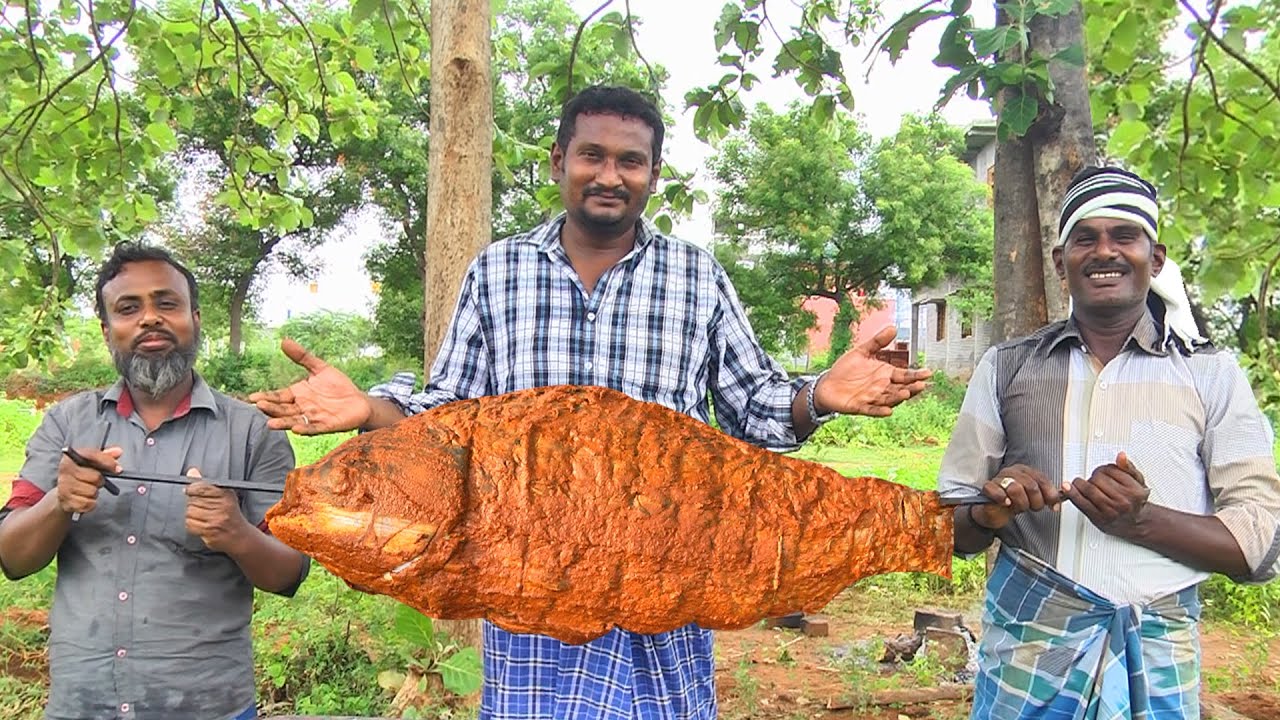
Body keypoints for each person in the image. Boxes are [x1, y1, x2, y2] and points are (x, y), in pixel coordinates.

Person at [249, 84, 931, 719]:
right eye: (593, 156)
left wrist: (822, 395)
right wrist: (370, 410)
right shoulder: (499, 271)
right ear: (558, 162)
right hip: (528, 579)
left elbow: (752, 407)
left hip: (664, 575)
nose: (611, 175)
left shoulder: (696, 277)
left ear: (653, 174)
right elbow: (448, 416)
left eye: (631, 161)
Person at [939, 166, 1280, 719]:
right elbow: (950, 527)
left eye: (1125, 236)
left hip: (1157, 649)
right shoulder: (1005, 368)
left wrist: (1140, 521)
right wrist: (988, 512)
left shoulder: (1212, 374)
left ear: (1157, 257)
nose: (1105, 252)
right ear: (1059, 261)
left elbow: (1261, 544)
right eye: (1085, 238)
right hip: (1030, 654)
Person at [0, 244, 309, 720]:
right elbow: (12, 557)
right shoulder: (66, 424)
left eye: (167, 304)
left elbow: (288, 574)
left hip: (212, 708)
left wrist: (236, 534)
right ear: (107, 331)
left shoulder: (252, 432)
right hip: (81, 707)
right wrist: (59, 502)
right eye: (128, 308)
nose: (150, 319)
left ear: (196, 319)